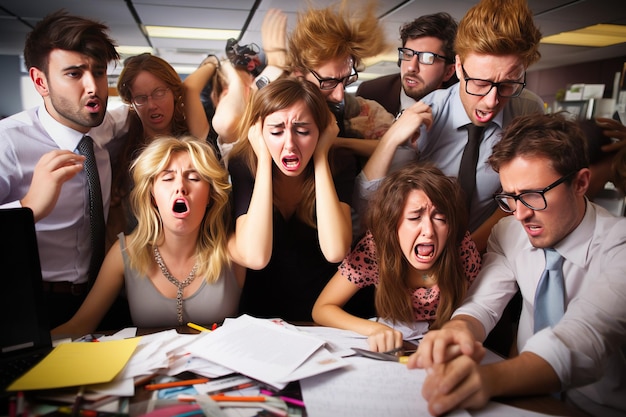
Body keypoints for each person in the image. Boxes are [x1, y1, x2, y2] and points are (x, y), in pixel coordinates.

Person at [408, 112, 626, 417]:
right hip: (522, 400)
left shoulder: (620, 244)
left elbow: (584, 337)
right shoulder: (508, 232)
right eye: (510, 198)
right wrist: (457, 328)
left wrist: (491, 379)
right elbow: (482, 305)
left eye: (533, 195)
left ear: (580, 182)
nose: (520, 214)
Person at [359, 0, 545, 253]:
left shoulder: (528, 110)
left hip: (490, 252)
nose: (491, 101)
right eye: (479, 83)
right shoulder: (426, 113)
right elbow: (371, 204)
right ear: (458, 67)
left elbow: (523, 199)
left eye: (508, 85)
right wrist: (391, 139)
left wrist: (466, 257)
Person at [0, 11, 127, 328]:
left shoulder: (104, 125)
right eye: (74, 74)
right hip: (32, 304)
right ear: (40, 81)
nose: (93, 87)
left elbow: (156, 105)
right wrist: (29, 208)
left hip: (103, 297)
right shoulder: (8, 142)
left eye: (98, 73)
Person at [53, 136, 244, 337]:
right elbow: (79, 327)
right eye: (168, 178)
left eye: (194, 178)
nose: (180, 187)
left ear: (210, 196)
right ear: (153, 196)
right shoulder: (125, 251)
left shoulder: (234, 250)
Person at [312, 164, 481, 353]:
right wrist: (375, 329)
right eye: (415, 217)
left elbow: (480, 306)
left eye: (440, 218)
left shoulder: (461, 246)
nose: (429, 231)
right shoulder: (374, 249)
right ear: (392, 224)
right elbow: (322, 308)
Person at [227, 77, 356, 322]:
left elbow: (336, 250)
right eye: (276, 131)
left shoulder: (339, 163)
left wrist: (320, 157)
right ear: (259, 133)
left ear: (321, 131)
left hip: (323, 318)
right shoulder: (244, 164)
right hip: (261, 317)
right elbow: (255, 256)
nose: (290, 144)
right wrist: (264, 159)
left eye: (303, 131)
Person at [107, 52, 218, 250]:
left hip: (196, 252)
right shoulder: (123, 149)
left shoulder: (193, 140)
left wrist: (212, 62)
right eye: (141, 98)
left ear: (174, 93)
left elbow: (190, 87)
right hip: (143, 256)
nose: (152, 105)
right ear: (132, 103)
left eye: (159, 93)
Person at [356, 12, 458, 117]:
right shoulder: (370, 93)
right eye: (408, 54)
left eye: (427, 58)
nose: (411, 67)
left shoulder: (464, 105)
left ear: (448, 72)